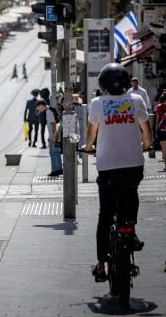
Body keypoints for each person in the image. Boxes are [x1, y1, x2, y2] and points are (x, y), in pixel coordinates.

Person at [84, 63, 150, 283]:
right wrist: (144, 145)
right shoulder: (137, 100)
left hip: (107, 167)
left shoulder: (97, 104)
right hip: (133, 165)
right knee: (132, 192)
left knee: (105, 215)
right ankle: (130, 228)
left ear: (103, 85)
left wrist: (87, 147)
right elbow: (147, 134)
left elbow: (91, 135)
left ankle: (101, 264)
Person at [36, 99, 62, 176]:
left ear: (41, 105)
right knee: (56, 153)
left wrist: (53, 136)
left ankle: (55, 170)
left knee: (53, 153)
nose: (38, 109)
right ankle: (59, 169)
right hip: (55, 134)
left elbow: (53, 124)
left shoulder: (48, 112)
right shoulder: (50, 110)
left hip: (53, 135)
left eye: (38, 107)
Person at [155, 92, 166, 171]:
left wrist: (156, 128)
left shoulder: (158, 106)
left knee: (164, 148)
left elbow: (158, 118)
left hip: (161, 129)